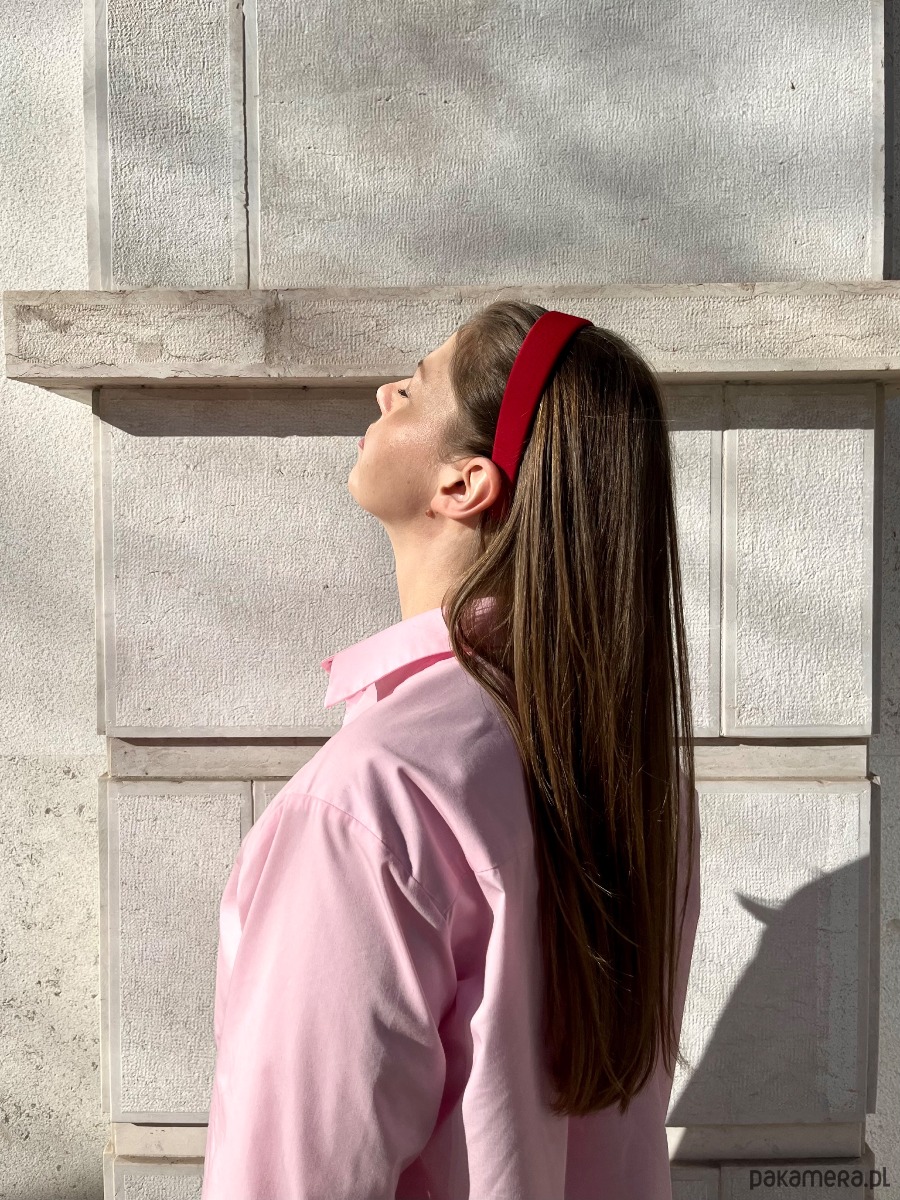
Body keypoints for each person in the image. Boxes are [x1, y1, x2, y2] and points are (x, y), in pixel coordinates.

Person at [200, 301, 702, 1200]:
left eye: (415, 386)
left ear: (465, 485)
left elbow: (294, 1177)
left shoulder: (372, 799)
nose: (383, 391)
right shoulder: (632, 774)